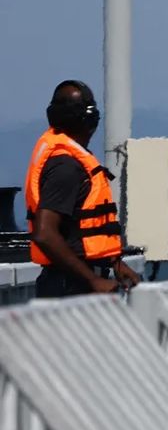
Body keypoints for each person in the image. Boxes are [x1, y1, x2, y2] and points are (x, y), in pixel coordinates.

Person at [25, 80, 140, 297]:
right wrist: (93, 280)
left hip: (76, 281)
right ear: (88, 119)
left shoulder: (74, 160)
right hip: (69, 287)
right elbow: (44, 233)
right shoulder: (66, 167)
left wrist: (115, 264)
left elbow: (77, 229)